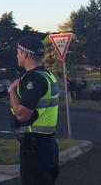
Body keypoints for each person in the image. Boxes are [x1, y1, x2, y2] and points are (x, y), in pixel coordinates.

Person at [9, 37, 60, 185]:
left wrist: (11, 90)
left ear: (25, 54)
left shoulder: (33, 79)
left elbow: (22, 115)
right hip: (48, 143)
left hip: (34, 146)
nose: (16, 55)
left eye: (18, 52)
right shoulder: (48, 75)